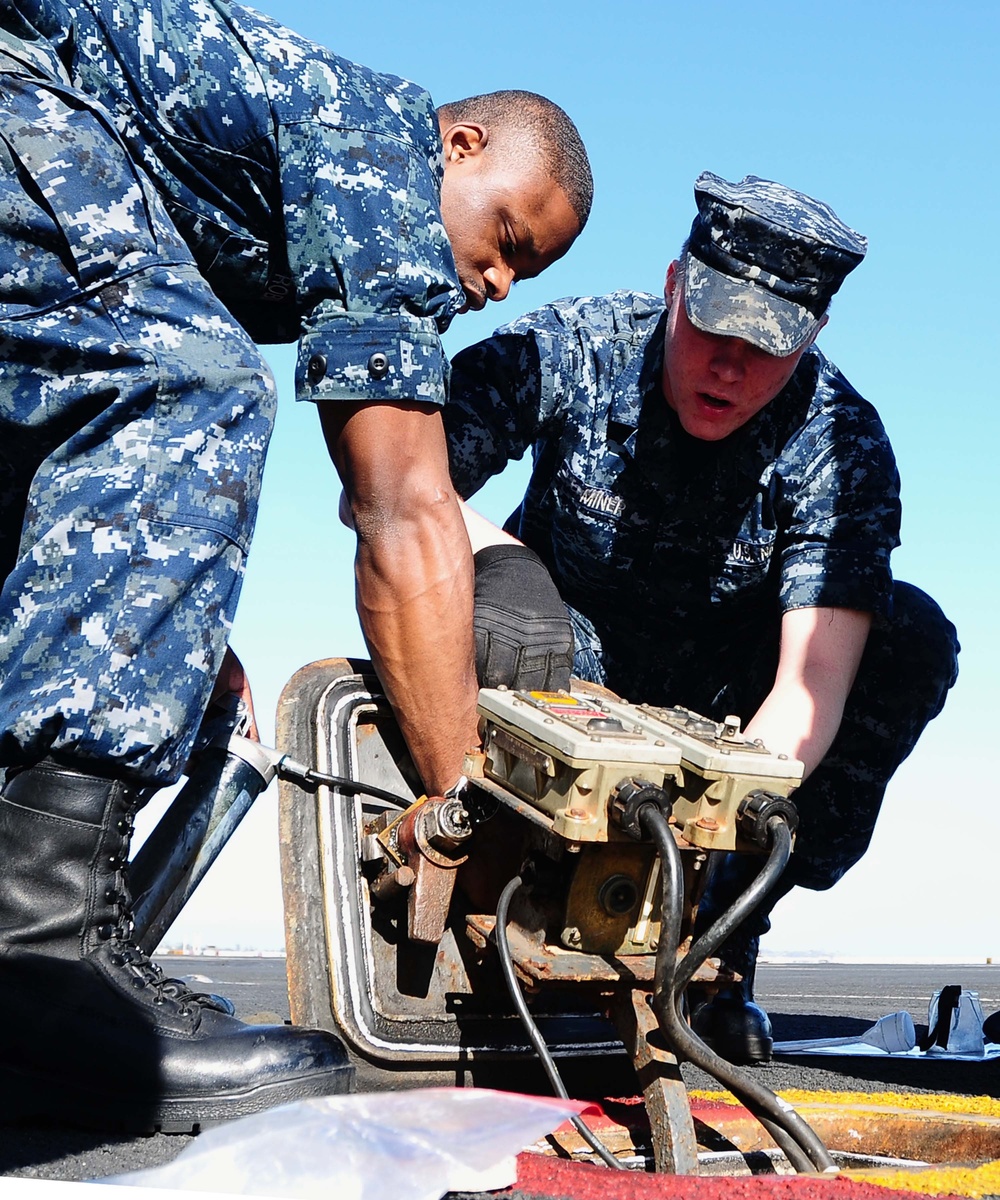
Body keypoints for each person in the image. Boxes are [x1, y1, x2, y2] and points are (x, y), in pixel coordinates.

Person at [0, 0, 592, 1127]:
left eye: (531, 271)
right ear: (457, 146)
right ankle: (31, 948)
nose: (502, 285)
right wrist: (456, 791)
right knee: (193, 384)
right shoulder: (377, 149)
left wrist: (163, 633)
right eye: (510, 238)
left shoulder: (250, 200)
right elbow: (401, 504)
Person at [445, 172, 959, 1064]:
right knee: (461, 597)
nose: (730, 366)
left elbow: (810, 688)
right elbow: (391, 478)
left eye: (765, 347)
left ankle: (715, 954)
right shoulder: (581, 342)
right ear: (676, 283)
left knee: (908, 638)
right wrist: (499, 559)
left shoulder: (841, 444)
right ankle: (491, 905)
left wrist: (724, 819)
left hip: (732, 699)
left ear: (814, 338)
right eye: (712, 328)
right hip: (564, 651)